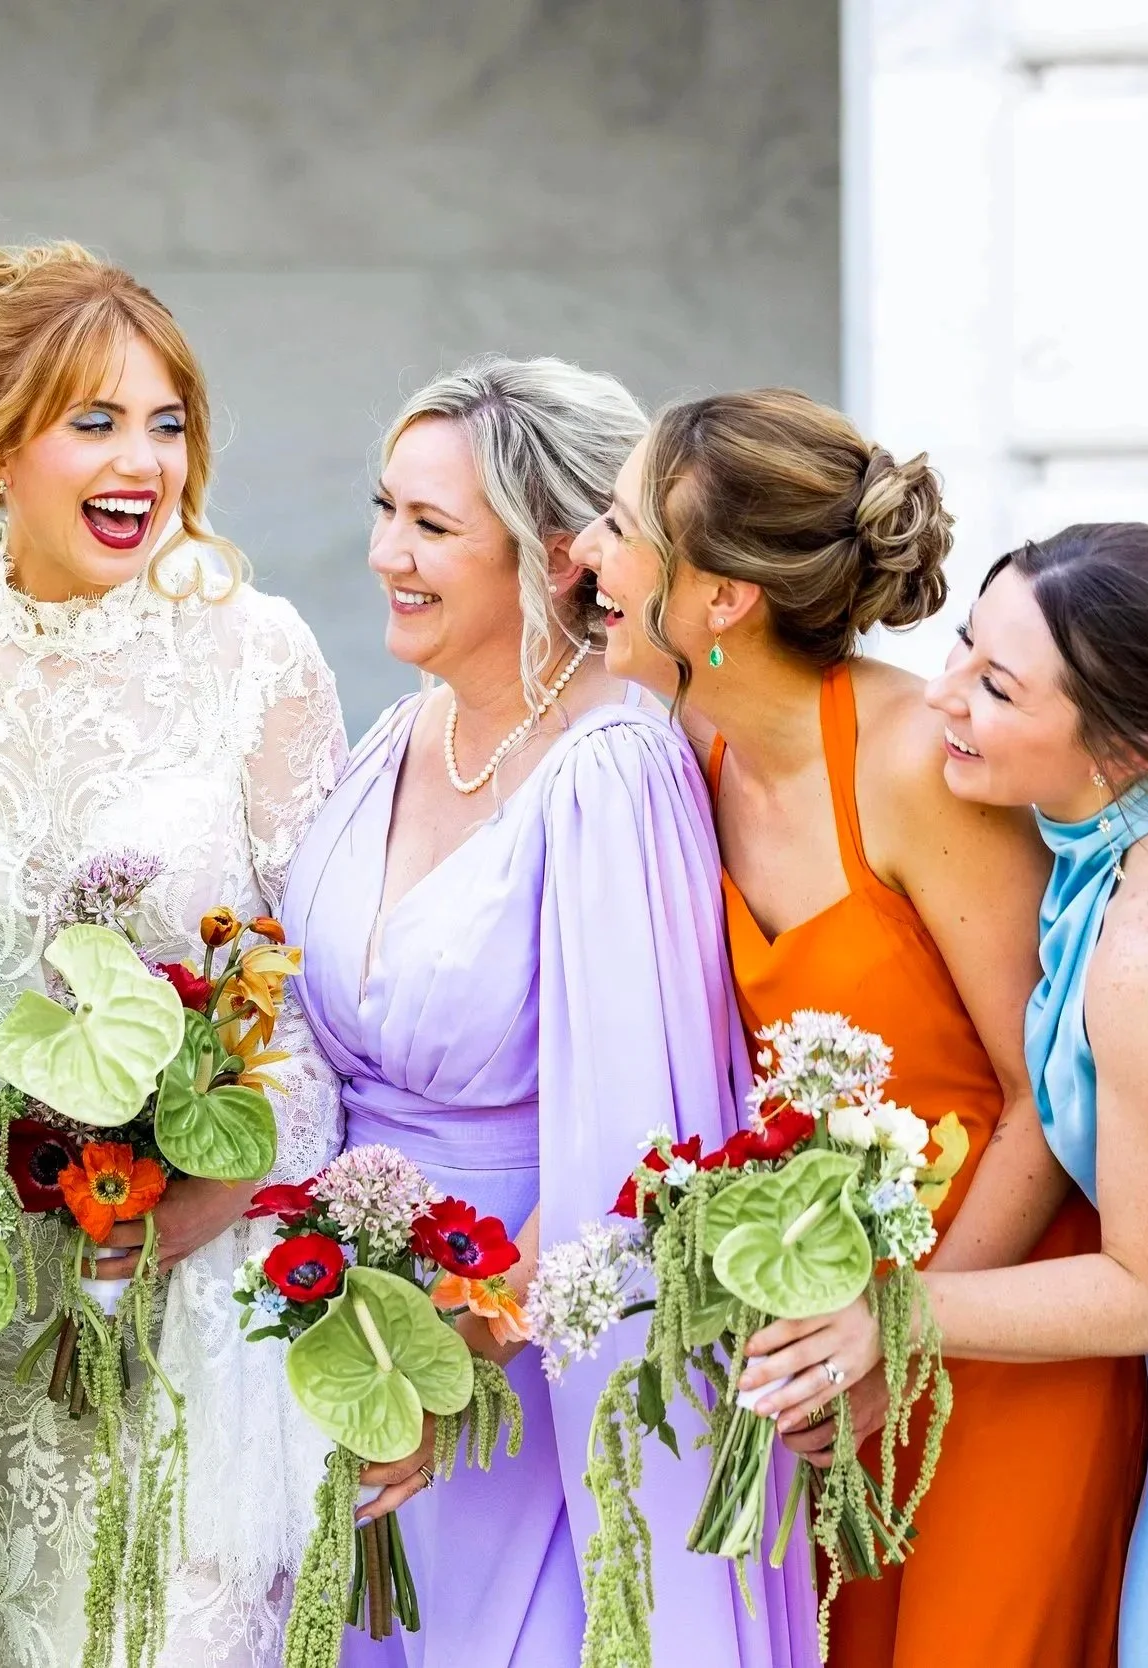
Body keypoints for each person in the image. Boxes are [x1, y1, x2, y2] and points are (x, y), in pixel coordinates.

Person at [574, 392, 1148, 1668]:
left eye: (616, 529)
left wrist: (906, 1327)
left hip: (1002, 1334)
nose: (584, 557)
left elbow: (1045, 1093)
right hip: (822, 1353)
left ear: (723, 598)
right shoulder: (686, 759)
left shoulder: (911, 767)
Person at [0, 241, 346, 1668]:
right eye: (96, 421)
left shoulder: (257, 652)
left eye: (168, 422)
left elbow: (307, 1008)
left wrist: (201, 1195)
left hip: (184, 1309)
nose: (144, 463)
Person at [741, 524, 1148, 1668]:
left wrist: (886, 1319)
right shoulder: (1124, 844)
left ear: (1124, 743)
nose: (940, 701)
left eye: (996, 687)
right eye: (963, 649)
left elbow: (1146, 1289)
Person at [281, 357, 814, 1667]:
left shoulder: (615, 770)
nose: (385, 554)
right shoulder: (392, 742)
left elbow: (634, 1153)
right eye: (385, 510)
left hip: (521, 1383)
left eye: (432, 527)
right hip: (352, 1351)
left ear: (560, 556)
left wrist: (453, 1359)